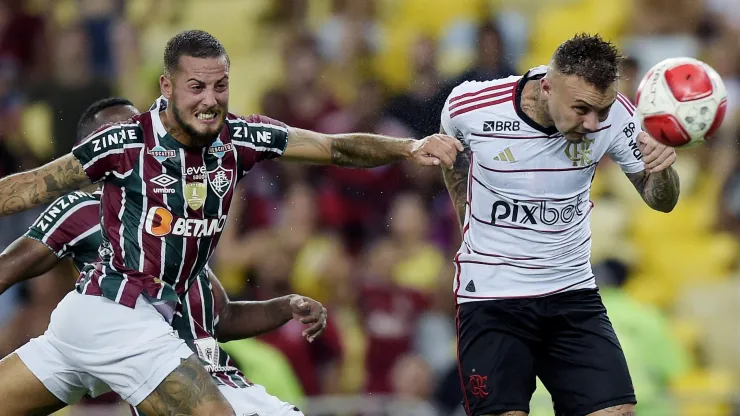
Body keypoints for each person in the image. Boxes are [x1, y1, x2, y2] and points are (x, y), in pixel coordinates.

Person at [0, 29, 462, 416]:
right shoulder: (124, 143)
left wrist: (406, 147)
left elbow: (333, 147)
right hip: (116, 311)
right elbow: (27, 187)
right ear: (166, 86)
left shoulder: (239, 138)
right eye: (196, 88)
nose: (210, 100)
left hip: (140, 319)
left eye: (220, 86)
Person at [0, 96, 327, 415]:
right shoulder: (82, 210)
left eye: (138, 130)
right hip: (119, 345)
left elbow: (221, 317)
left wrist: (282, 307)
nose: (135, 140)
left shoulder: (178, 218)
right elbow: (8, 269)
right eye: (119, 134)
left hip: (207, 378)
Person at [440, 33, 680, 416]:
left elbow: (661, 200)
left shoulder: (617, 114)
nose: (592, 123)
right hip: (493, 297)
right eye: (581, 108)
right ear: (546, 87)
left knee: (618, 412)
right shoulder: (471, 105)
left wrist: (662, 168)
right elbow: (452, 156)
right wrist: (467, 221)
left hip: (572, 292)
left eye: (600, 112)